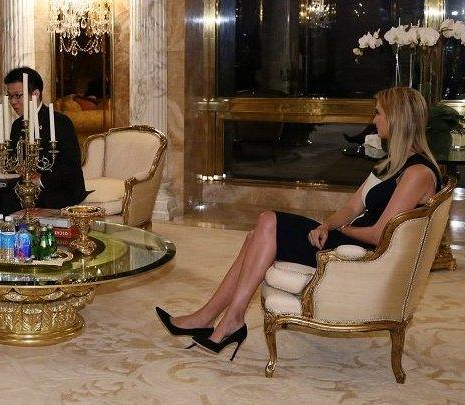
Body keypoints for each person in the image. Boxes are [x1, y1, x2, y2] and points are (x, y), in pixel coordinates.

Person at [156, 86, 442, 359]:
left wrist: (341, 231)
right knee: (257, 234)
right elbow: (354, 206)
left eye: (379, 113)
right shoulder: (394, 163)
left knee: (268, 221)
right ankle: (210, 317)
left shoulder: (417, 173)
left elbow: (381, 234)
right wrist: (327, 225)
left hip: (362, 253)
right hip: (348, 238)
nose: (374, 119)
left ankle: (228, 319)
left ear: (397, 119)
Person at [0, 66, 88, 215]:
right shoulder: (17, 125)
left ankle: (22, 235)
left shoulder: (60, 122)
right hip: (29, 182)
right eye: (10, 96)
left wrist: (40, 180)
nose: (13, 102)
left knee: (22, 197)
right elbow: (13, 161)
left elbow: (70, 166)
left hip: (59, 187)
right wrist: (18, 169)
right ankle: (2, 235)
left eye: (17, 95)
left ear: (35, 94)